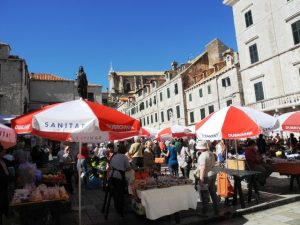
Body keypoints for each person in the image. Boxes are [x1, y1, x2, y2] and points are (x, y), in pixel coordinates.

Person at [196, 140, 219, 216]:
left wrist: (201, 179)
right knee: (213, 193)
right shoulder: (211, 153)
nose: (198, 149)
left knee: (204, 195)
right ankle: (216, 210)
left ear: (201, 148)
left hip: (206, 176)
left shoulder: (202, 156)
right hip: (213, 174)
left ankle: (205, 212)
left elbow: (202, 168)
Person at [108, 144, 131, 217]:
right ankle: (120, 208)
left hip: (112, 176)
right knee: (120, 193)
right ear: (124, 151)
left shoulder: (114, 155)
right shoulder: (124, 157)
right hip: (119, 177)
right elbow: (128, 168)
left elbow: (110, 165)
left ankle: (117, 207)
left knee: (115, 193)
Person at [0, 144, 9, 225]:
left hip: (4, 186)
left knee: (4, 202)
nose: (5, 152)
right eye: (3, 151)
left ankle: (5, 214)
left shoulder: (2, 159)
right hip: (1, 187)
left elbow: (10, 163)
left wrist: (19, 161)